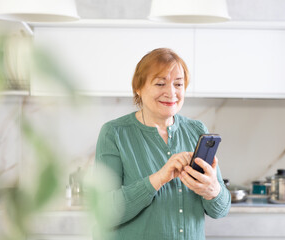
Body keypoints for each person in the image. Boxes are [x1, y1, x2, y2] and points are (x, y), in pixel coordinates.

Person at [95, 48, 231, 240]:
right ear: (138, 87)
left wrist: (213, 190)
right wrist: (159, 178)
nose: (171, 92)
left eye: (178, 84)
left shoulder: (197, 130)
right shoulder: (114, 133)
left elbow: (221, 210)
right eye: (160, 83)